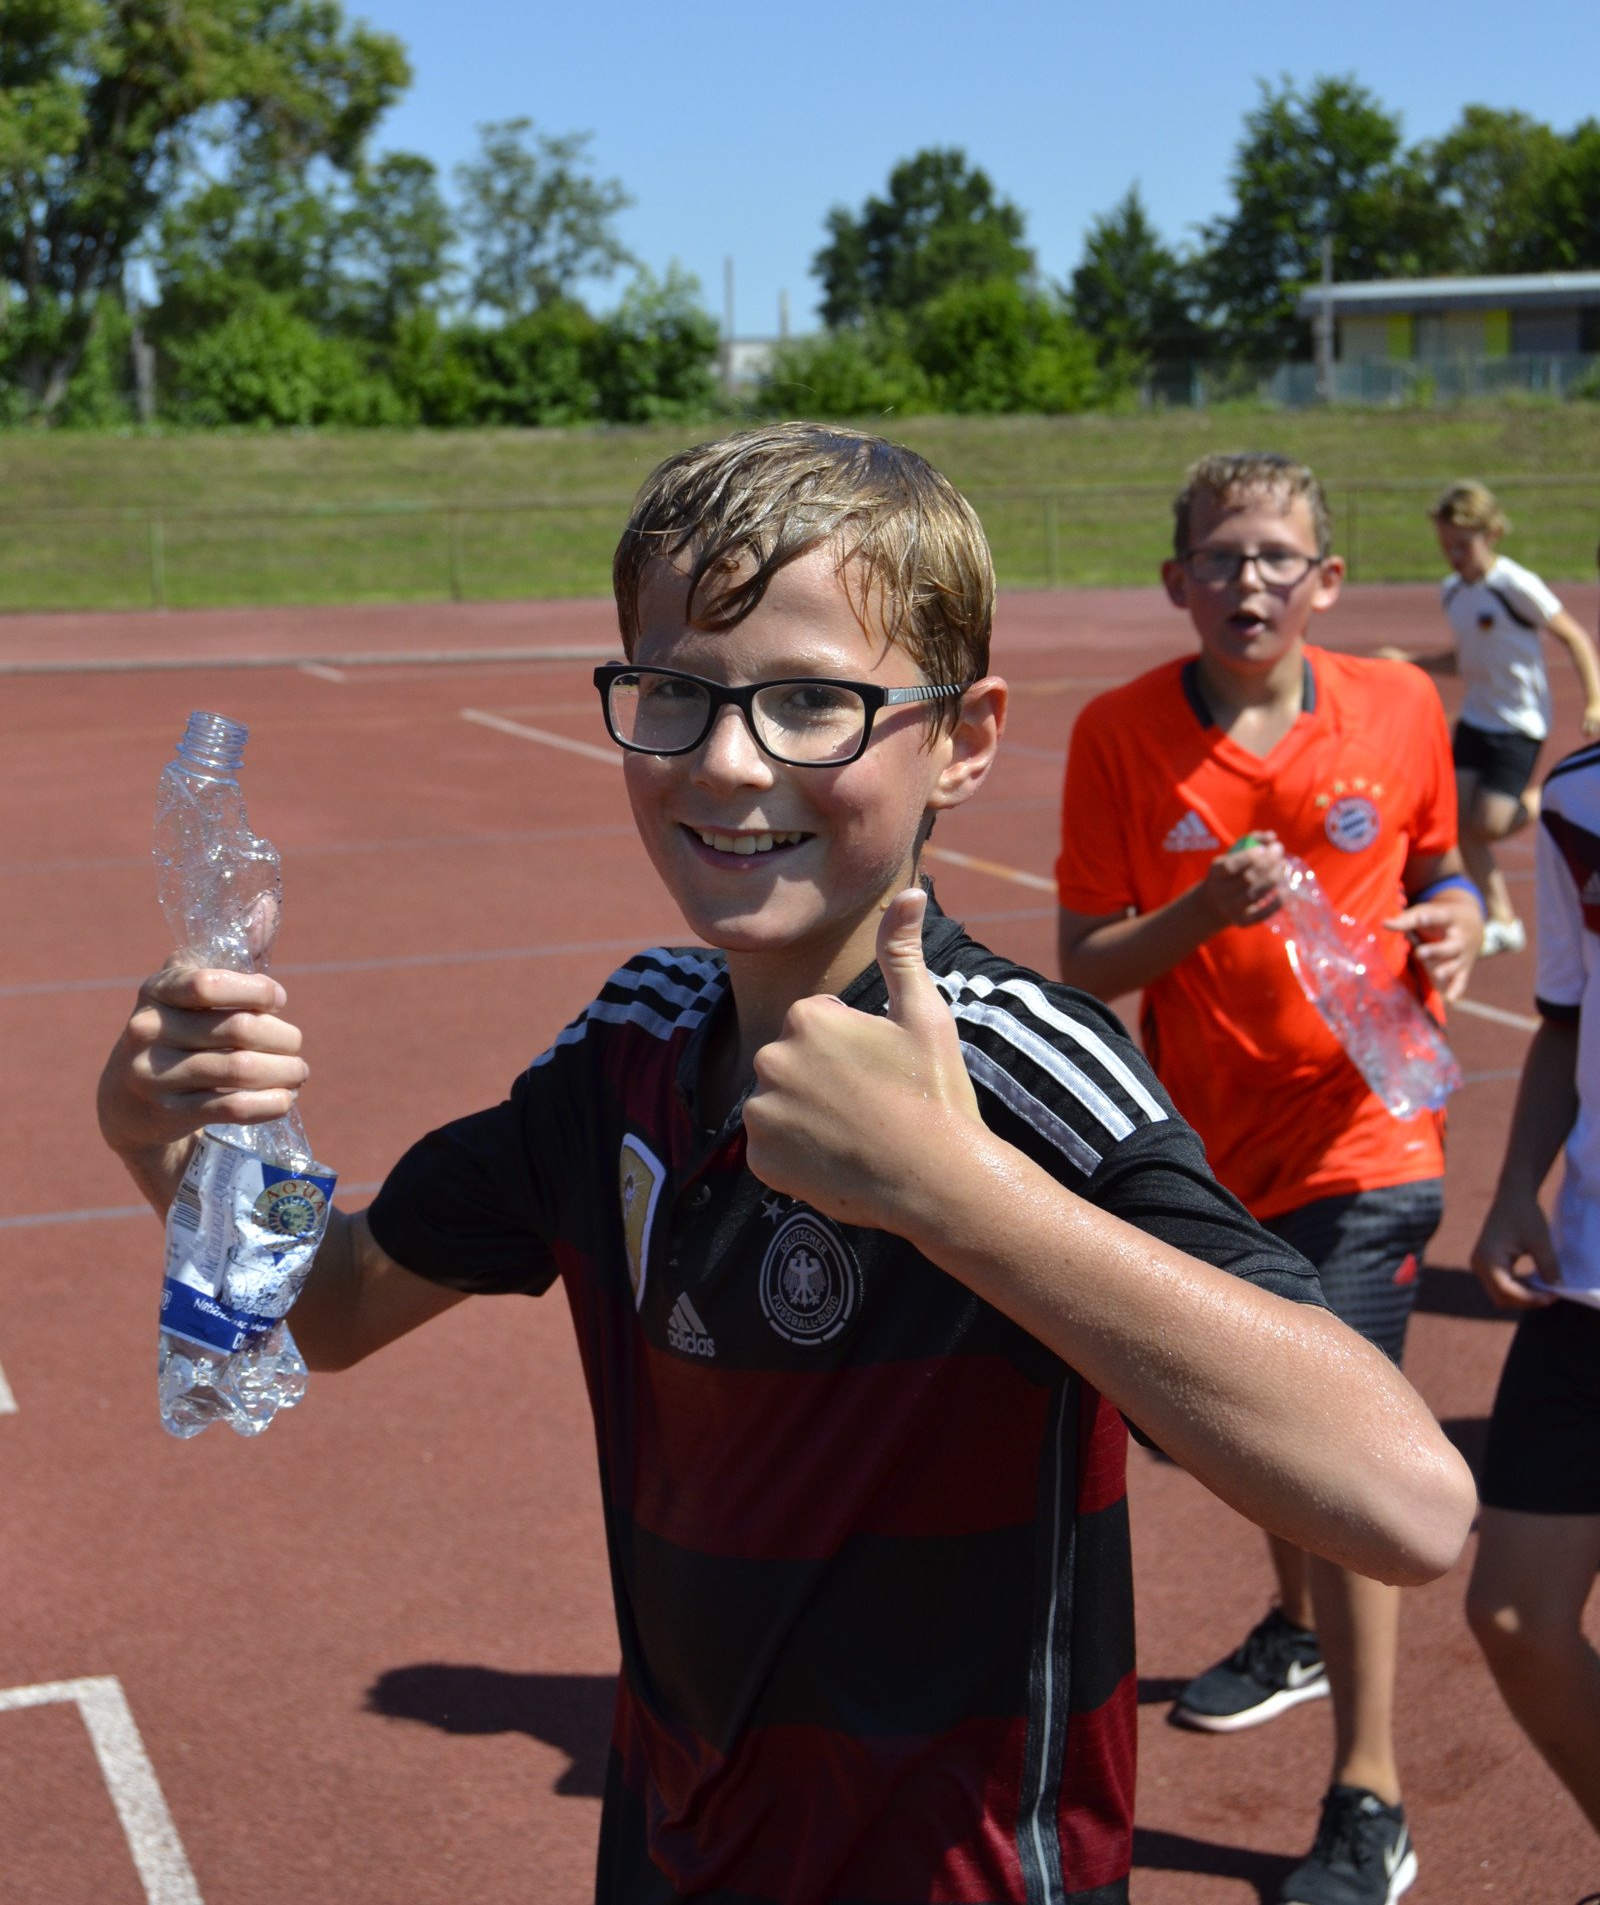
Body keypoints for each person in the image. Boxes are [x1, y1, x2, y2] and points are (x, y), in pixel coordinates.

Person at [98, 425, 1474, 1905]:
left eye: (815, 700)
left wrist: (959, 1196)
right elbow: (336, 1310)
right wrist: (177, 1155)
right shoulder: (625, 1051)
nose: (730, 759)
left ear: (966, 735)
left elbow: (1406, 1503)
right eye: (675, 693)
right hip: (679, 1847)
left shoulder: (1013, 1069)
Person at [1056, 449, 1483, 1905]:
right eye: (1223, 558)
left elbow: (1445, 870)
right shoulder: (1122, 736)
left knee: (1342, 1457)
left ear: (1327, 582)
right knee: (1234, 1434)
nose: (1251, 582)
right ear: (1178, 580)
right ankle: (1299, 1630)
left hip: (1373, 1140)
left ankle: (1371, 1795)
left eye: (1278, 558)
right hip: (1207, 1151)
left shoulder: (1402, 705)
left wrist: (1457, 926)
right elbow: (1087, 963)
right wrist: (1197, 908)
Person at [1467, 729, 1600, 1835]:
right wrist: (1517, 1182)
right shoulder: (1579, 797)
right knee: (1517, 1616)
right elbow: (1565, 1014)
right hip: (1589, 1275)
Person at [1404, 480, 1600, 957]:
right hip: (1477, 718)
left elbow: (1574, 637)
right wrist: (1411, 660)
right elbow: (1466, 659)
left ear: (1491, 534)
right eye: (1446, 544)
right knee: (1456, 824)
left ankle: (1542, 800)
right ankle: (1504, 921)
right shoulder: (1452, 592)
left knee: (1488, 826)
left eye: (1463, 545)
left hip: (1519, 721)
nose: (1454, 554)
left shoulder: (1515, 585)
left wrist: (1595, 701)